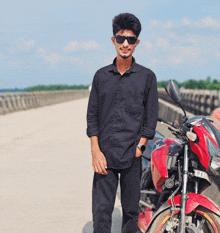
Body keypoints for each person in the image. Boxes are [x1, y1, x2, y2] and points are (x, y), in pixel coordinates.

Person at [86, 13, 158, 233]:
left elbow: (151, 116)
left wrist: (140, 146)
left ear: (137, 43)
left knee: (130, 212)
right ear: (113, 40)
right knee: (101, 212)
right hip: (105, 154)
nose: (125, 44)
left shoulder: (147, 77)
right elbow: (92, 116)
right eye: (120, 38)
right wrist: (95, 151)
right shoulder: (101, 76)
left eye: (130, 40)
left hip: (131, 154)